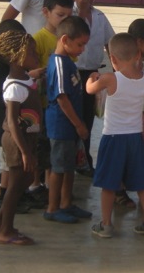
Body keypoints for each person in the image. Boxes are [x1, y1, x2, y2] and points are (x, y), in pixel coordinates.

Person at [86, 33, 144, 237]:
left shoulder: (110, 79)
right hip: (136, 137)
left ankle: (106, 224)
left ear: (113, 59)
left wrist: (91, 78)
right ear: (138, 55)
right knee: (141, 183)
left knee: (109, 185)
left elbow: (91, 90)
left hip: (113, 138)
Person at [0, 28, 40, 246]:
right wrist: (24, 151)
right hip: (17, 141)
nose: (37, 57)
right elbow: (13, 121)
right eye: (32, 53)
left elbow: (30, 80)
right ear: (16, 57)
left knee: (24, 179)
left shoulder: (23, 77)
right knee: (16, 184)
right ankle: (6, 230)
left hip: (27, 138)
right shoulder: (14, 86)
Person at [44, 16, 92, 224]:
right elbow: (62, 98)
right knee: (59, 167)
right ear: (65, 40)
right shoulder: (59, 64)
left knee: (69, 166)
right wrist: (79, 124)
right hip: (62, 125)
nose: (82, 49)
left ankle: (66, 203)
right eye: (80, 44)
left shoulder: (67, 62)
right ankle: (53, 207)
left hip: (69, 126)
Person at [29, 0, 75, 204]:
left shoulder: (67, 41)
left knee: (52, 148)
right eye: (60, 15)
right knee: (39, 145)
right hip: (41, 104)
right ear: (45, 12)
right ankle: (36, 184)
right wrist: (37, 74)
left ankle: (50, 186)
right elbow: (26, 70)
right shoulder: (38, 39)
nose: (65, 19)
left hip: (57, 107)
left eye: (69, 15)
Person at [115, 18, 144, 207]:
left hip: (142, 112)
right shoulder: (128, 61)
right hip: (132, 114)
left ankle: (139, 185)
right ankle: (119, 188)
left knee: (142, 151)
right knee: (130, 152)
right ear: (139, 41)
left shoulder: (142, 60)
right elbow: (129, 82)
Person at [72, 0, 115, 177]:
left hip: (92, 74)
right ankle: (69, 159)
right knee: (71, 117)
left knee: (88, 117)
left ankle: (84, 159)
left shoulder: (99, 17)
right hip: (71, 72)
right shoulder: (68, 17)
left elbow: (111, 43)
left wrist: (118, 68)